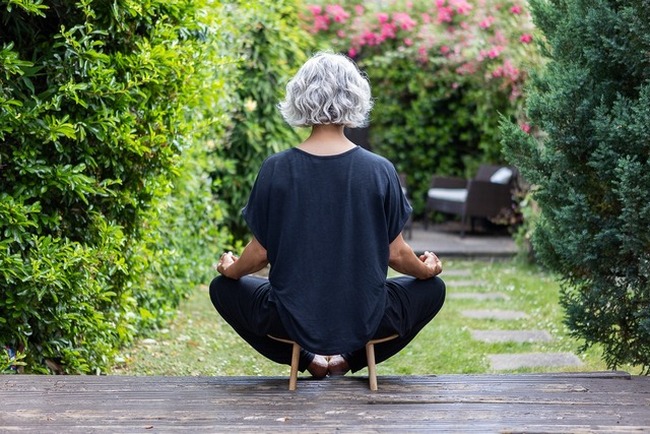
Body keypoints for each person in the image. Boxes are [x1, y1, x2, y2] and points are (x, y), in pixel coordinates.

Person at [210, 52, 445, 378]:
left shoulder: (275, 169)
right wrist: (425, 269)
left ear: (300, 97)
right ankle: (347, 360)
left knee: (222, 289)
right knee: (434, 290)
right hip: (368, 318)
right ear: (356, 98)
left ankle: (310, 360)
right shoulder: (380, 170)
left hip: (288, 318)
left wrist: (231, 269)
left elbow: (259, 254)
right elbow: (396, 253)